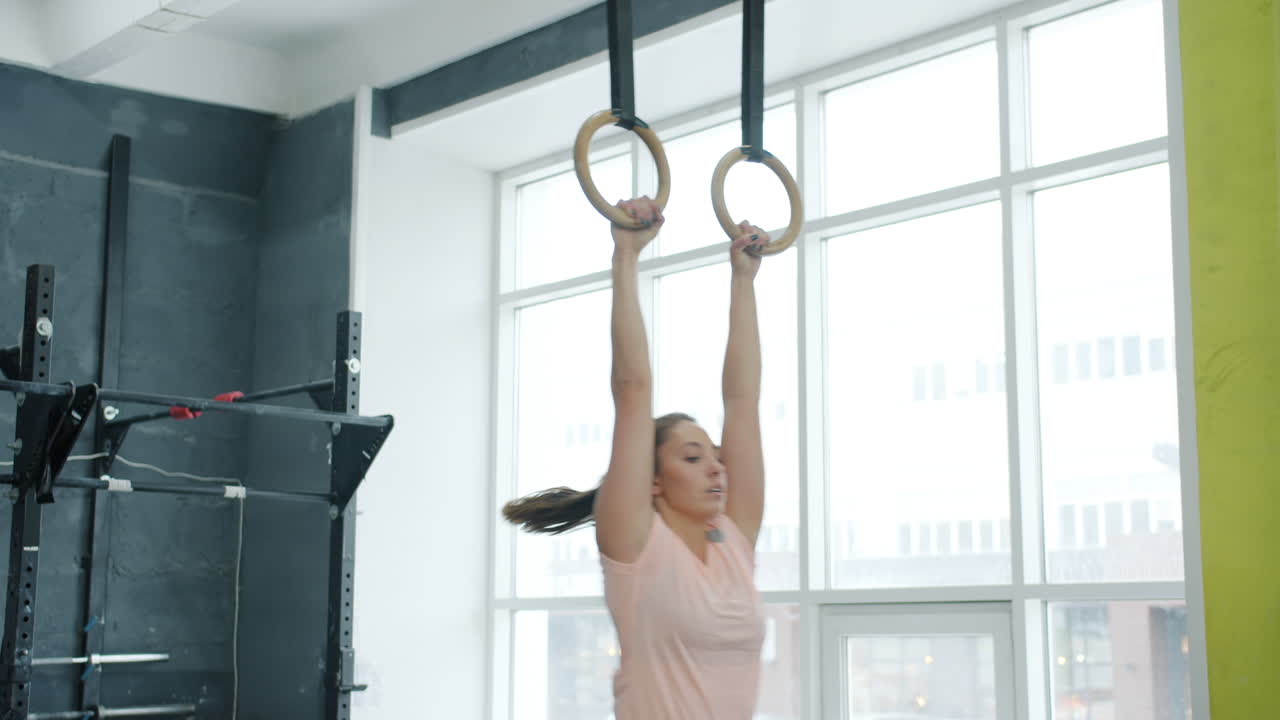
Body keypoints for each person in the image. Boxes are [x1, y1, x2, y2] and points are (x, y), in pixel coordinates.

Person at [503, 196, 769, 719]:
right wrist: (625, 256)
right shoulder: (635, 545)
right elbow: (632, 387)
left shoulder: (735, 541)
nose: (718, 467)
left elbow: (743, 401)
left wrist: (744, 279)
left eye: (715, 457)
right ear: (652, 482)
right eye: (692, 459)